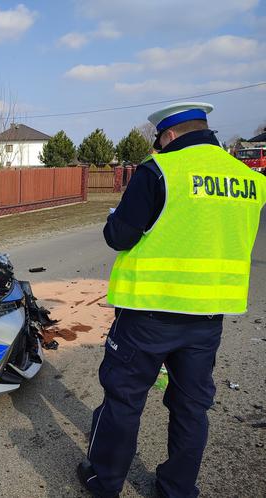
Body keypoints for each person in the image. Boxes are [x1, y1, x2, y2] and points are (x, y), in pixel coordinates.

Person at [77, 102, 266, 498]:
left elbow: (120, 236)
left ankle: (105, 480)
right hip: (208, 317)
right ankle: (177, 490)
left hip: (149, 313)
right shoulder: (249, 179)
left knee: (124, 402)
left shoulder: (159, 171)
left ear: (170, 135)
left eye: (159, 140)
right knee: (191, 408)